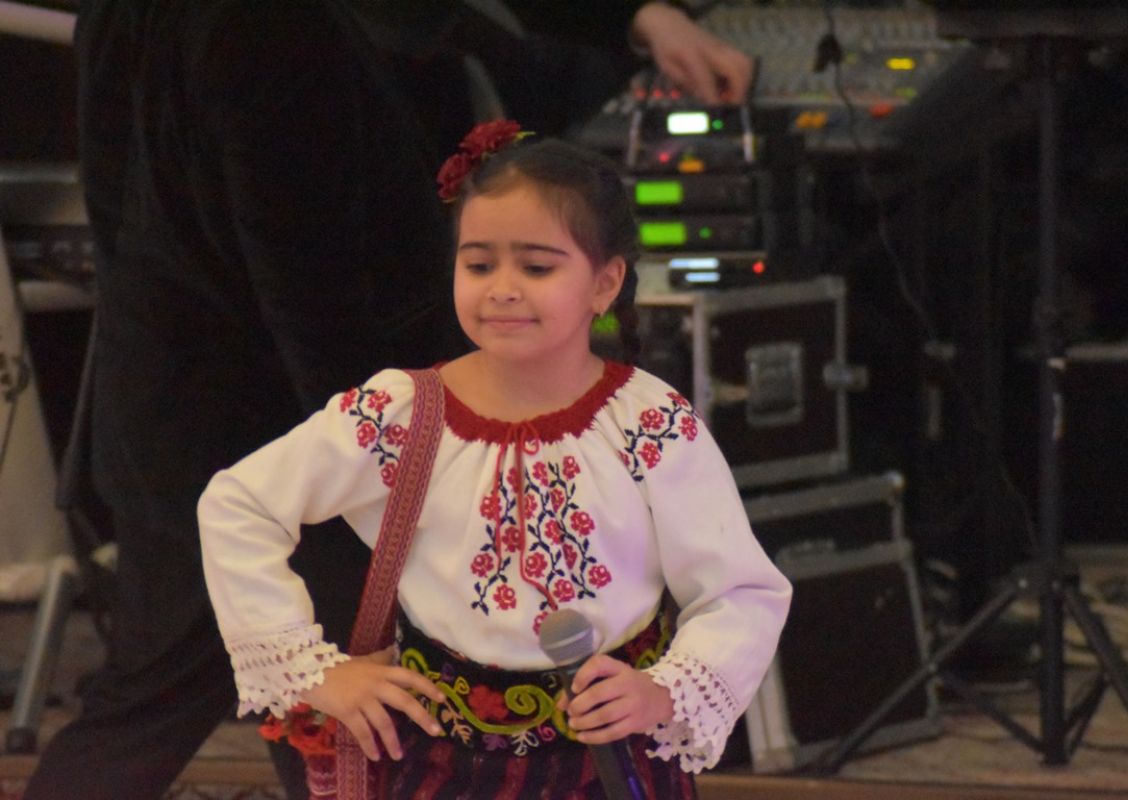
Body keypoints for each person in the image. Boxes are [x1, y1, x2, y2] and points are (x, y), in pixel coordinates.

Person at [27, 2, 757, 798]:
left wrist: (638, 17)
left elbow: (123, 213)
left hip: (166, 412)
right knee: (308, 715)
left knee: (198, 707)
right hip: (297, 434)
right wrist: (410, 433)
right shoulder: (275, 27)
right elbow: (304, 272)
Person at [197, 123, 792, 797]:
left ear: (604, 284)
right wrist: (316, 672)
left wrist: (660, 693)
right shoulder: (401, 413)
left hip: (613, 764)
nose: (502, 288)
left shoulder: (648, 422)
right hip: (439, 764)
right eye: (479, 265)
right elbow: (239, 504)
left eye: (536, 268)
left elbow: (740, 591)